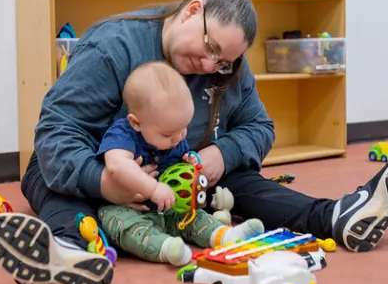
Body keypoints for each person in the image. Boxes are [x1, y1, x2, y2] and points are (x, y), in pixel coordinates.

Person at [0, 0, 388, 284]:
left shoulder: (228, 67)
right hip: (99, 173)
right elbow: (57, 131)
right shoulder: (112, 46)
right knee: (52, 177)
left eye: (223, 60)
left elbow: (258, 128)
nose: (209, 63)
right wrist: (106, 183)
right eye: (209, 47)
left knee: (241, 178)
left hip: (177, 182)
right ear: (192, 11)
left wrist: (218, 154)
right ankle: (68, 250)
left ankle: (336, 217)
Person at [96, 60, 265, 266]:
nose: (178, 138)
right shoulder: (122, 134)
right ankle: (167, 248)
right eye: (168, 134)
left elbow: (181, 157)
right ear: (136, 122)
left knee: (195, 216)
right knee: (121, 224)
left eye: (183, 128)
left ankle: (225, 236)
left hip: (170, 208)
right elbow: (117, 165)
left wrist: (190, 160)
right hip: (131, 208)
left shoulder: (174, 134)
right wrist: (152, 188)